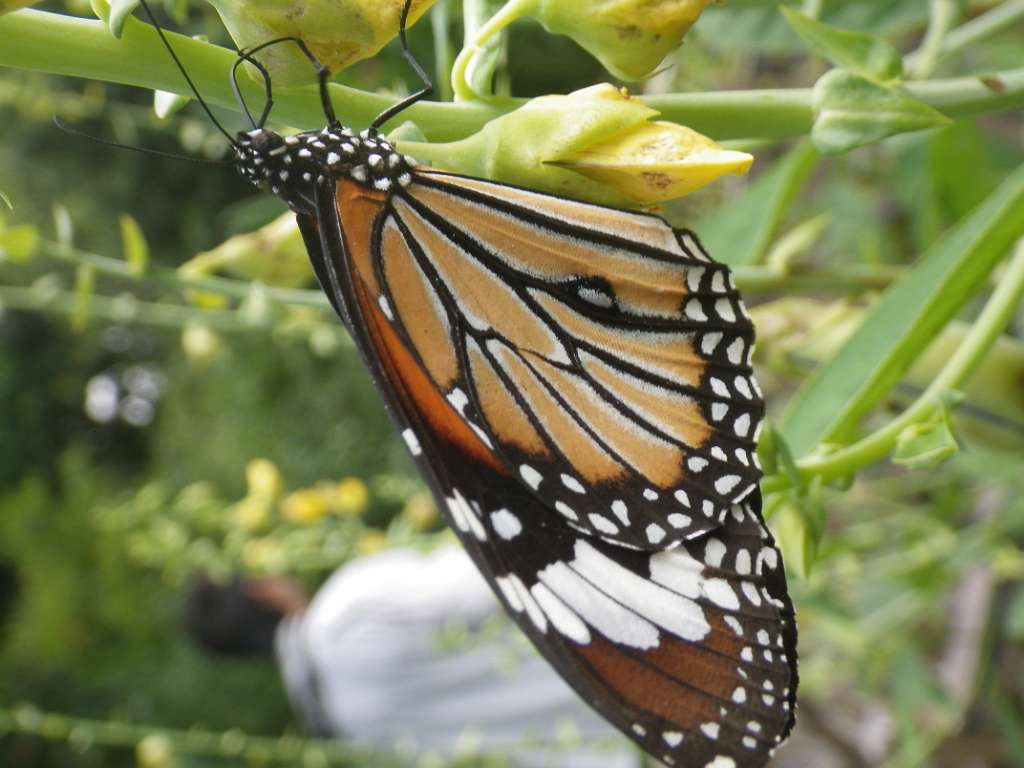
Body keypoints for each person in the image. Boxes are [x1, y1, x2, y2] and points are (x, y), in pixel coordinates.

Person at [183, 545, 639, 768]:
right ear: (261, 591)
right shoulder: (343, 608)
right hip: (629, 641)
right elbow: (493, 571)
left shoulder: (346, 729)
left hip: (628, 745)